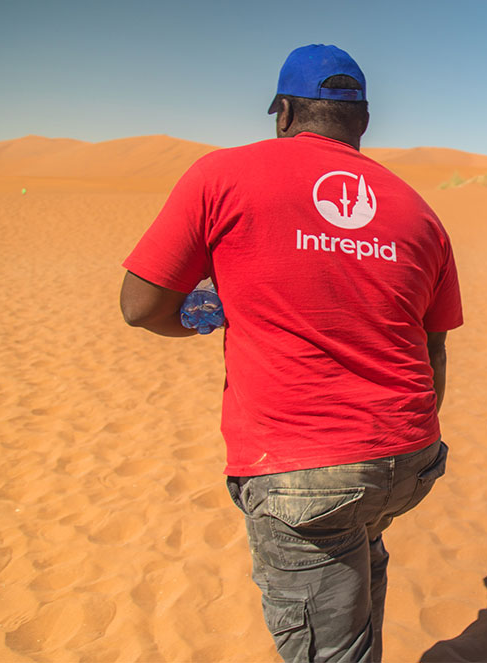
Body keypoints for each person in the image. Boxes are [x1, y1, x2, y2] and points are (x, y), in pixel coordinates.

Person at [120, 44, 463, 663]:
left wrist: (207, 314)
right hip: (409, 456)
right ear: (362, 122)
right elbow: (433, 349)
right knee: (359, 563)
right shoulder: (421, 213)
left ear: (282, 112)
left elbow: (141, 306)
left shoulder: (221, 175)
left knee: (326, 642)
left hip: (302, 467)